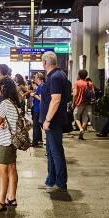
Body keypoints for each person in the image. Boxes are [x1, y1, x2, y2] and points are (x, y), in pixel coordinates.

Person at [38, 52, 69, 193]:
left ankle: (60, 182)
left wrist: (47, 120)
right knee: (51, 152)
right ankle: (51, 181)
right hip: (53, 121)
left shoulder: (56, 77)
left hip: (53, 121)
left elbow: (55, 99)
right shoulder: (58, 75)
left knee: (56, 152)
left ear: (44, 62)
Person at [0, 77, 20, 212]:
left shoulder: (5, 103)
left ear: (3, 89)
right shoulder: (14, 103)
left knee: (2, 170)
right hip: (13, 141)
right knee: (12, 168)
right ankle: (12, 197)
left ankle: (1, 201)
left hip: (5, 141)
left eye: (0, 87)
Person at [72, 69, 94, 140]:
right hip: (87, 103)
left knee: (76, 116)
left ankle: (81, 129)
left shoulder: (77, 83)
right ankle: (81, 134)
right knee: (85, 119)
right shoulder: (89, 83)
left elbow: (75, 94)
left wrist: (73, 103)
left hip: (79, 103)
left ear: (79, 75)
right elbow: (93, 93)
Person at [31, 73, 44, 147]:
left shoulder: (41, 86)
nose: (34, 79)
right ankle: (39, 140)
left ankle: (35, 142)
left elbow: (40, 98)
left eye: (35, 77)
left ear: (38, 78)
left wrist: (33, 95)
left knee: (36, 126)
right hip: (38, 108)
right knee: (38, 125)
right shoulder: (41, 86)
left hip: (38, 108)